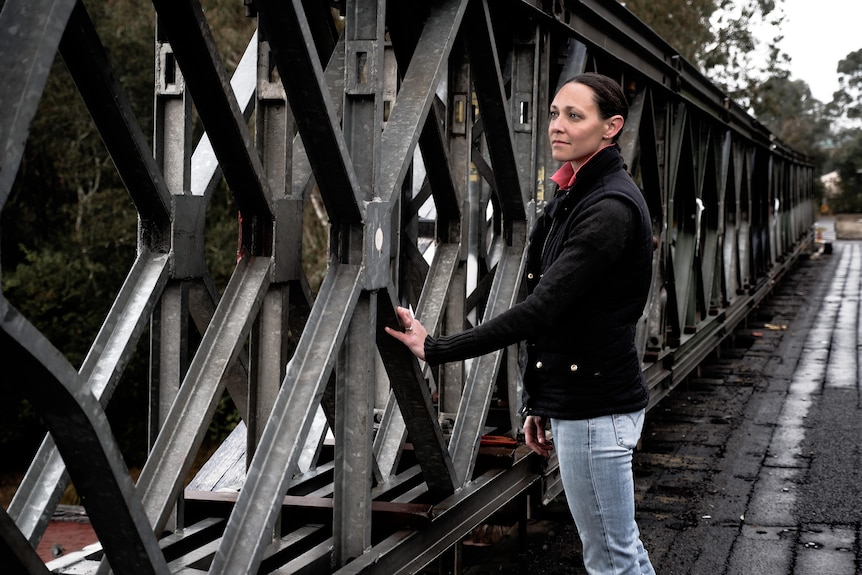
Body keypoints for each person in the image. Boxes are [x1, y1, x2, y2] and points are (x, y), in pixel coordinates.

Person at [385, 72, 656, 575]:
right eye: (555, 113)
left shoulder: (608, 209)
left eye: (575, 116)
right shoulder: (576, 194)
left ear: (612, 127)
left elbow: (540, 310)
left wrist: (437, 347)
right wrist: (539, 399)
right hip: (584, 401)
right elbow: (562, 314)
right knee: (621, 551)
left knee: (612, 559)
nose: (557, 125)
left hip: (596, 409)